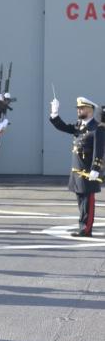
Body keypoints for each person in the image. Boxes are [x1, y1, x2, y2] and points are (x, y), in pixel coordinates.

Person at [50, 96, 103, 237]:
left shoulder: (97, 128)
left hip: (88, 172)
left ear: (90, 110)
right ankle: (83, 227)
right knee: (81, 201)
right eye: (78, 108)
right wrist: (54, 114)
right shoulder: (80, 125)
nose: (78, 110)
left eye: (81, 108)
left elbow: (99, 150)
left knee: (88, 202)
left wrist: (96, 169)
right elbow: (65, 127)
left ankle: (86, 230)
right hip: (77, 171)